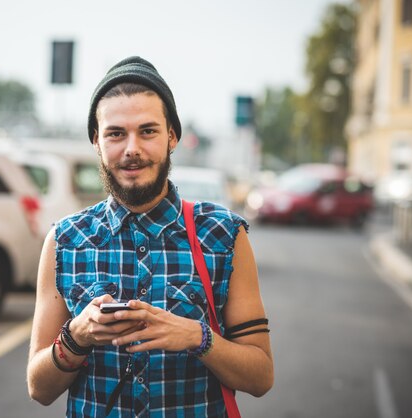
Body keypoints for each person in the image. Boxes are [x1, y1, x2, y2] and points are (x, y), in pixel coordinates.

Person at [27, 56, 273, 417]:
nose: (132, 149)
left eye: (148, 131)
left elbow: (261, 376)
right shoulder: (65, 241)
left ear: (172, 136)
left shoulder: (224, 234)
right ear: (96, 141)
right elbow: (39, 388)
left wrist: (197, 338)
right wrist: (77, 335)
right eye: (115, 133)